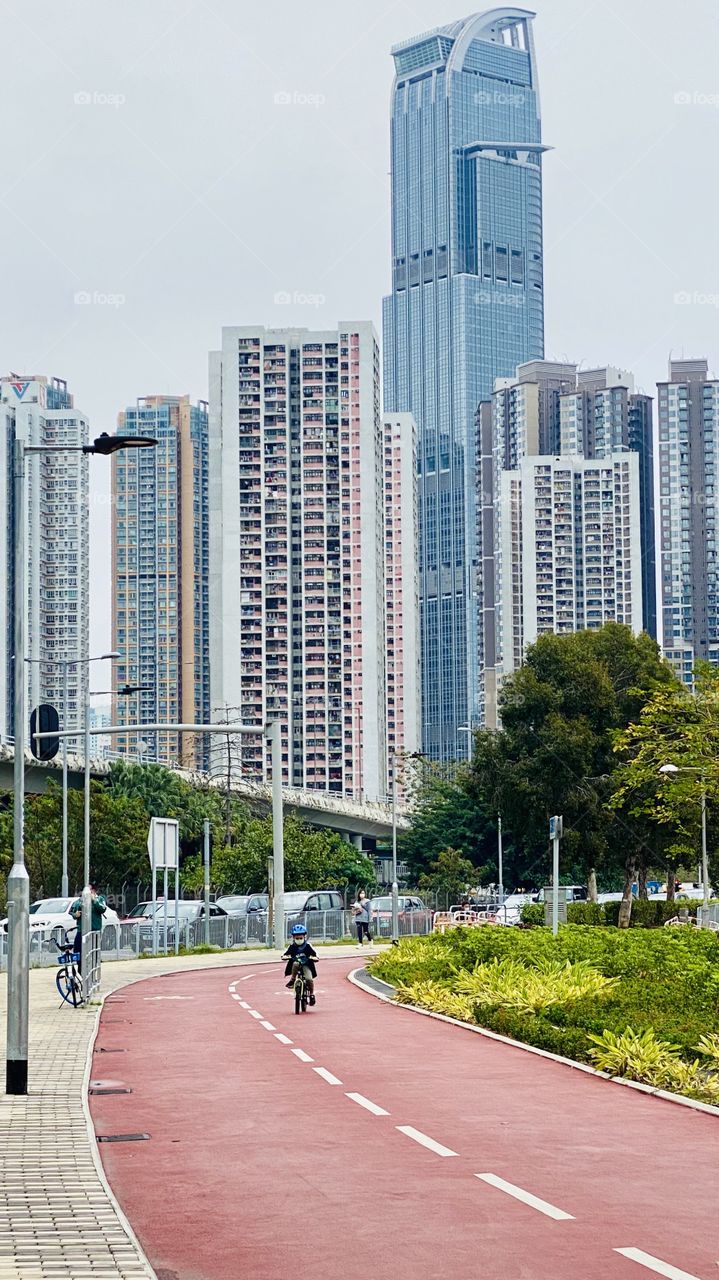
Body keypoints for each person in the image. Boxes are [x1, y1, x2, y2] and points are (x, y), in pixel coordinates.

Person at [69, 883, 107, 963]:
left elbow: (102, 909)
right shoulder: (79, 901)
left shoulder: (99, 899)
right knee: (78, 950)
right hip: (81, 930)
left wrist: (94, 900)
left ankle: (93, 966)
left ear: (93, 891)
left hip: (94, 930)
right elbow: (72, 911)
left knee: (93, 951)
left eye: (88, 890)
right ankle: (80, 968)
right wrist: (75, 915)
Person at [282, 924, 318, 1005]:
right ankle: (293, 979)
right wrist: (285, 957)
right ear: (293, 938)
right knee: (295, 963)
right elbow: (286, 954)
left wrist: (314, 958)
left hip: (306, 965)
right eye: (297, 938)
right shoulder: (292, 946)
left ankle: (311, 994)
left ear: (304, 937)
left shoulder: (308, 946)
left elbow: (314, 955)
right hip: (296, 965)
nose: (299, 940)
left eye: (300, 938)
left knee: (309, 979)